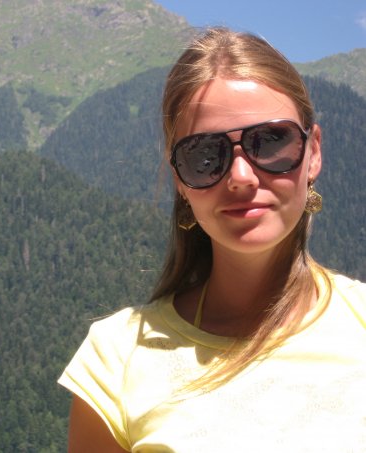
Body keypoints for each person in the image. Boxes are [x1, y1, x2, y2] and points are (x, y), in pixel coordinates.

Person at [58, 27, 366, 452]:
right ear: (179, 179)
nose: (241, 177)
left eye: (271, 142)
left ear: (313, 152)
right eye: (204, 154)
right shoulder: (115, 359)